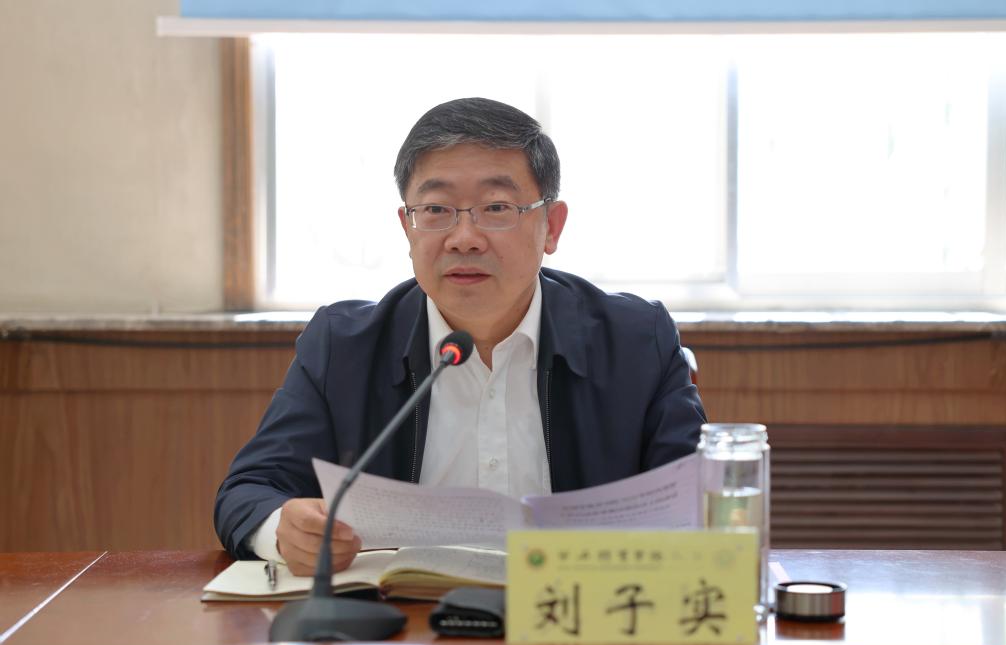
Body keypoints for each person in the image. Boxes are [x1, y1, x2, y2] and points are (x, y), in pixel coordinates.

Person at [214, 97, 707, 575]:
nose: (464, 238)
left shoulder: (635, 343)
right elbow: (249, 491)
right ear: (408, 227)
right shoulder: (344, 348)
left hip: (577, 614)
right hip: (399, 621)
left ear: (551, 226)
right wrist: (285, 529)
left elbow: (698, 500)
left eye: (496, 207)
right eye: (436, 209)